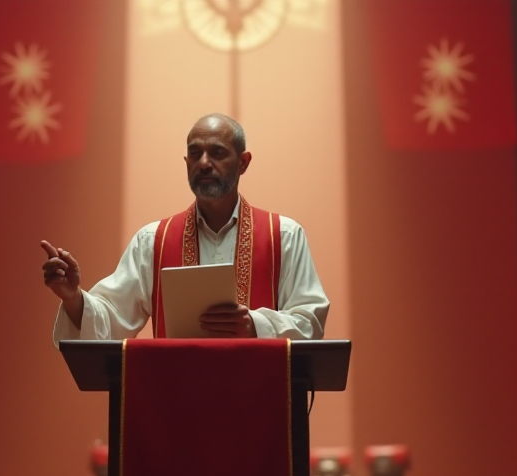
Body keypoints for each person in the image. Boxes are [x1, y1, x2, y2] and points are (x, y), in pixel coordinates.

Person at [42, 113, 329, 346]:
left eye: (217, 152)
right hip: (177, 400)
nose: (204, 163)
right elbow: (112, 318)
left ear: (243, 163)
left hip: (260, 400)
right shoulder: (153, 240)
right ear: (186, 162)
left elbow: (310, 323)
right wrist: (73, 297)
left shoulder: (284, 235)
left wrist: (256, 325)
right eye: (195, 153)